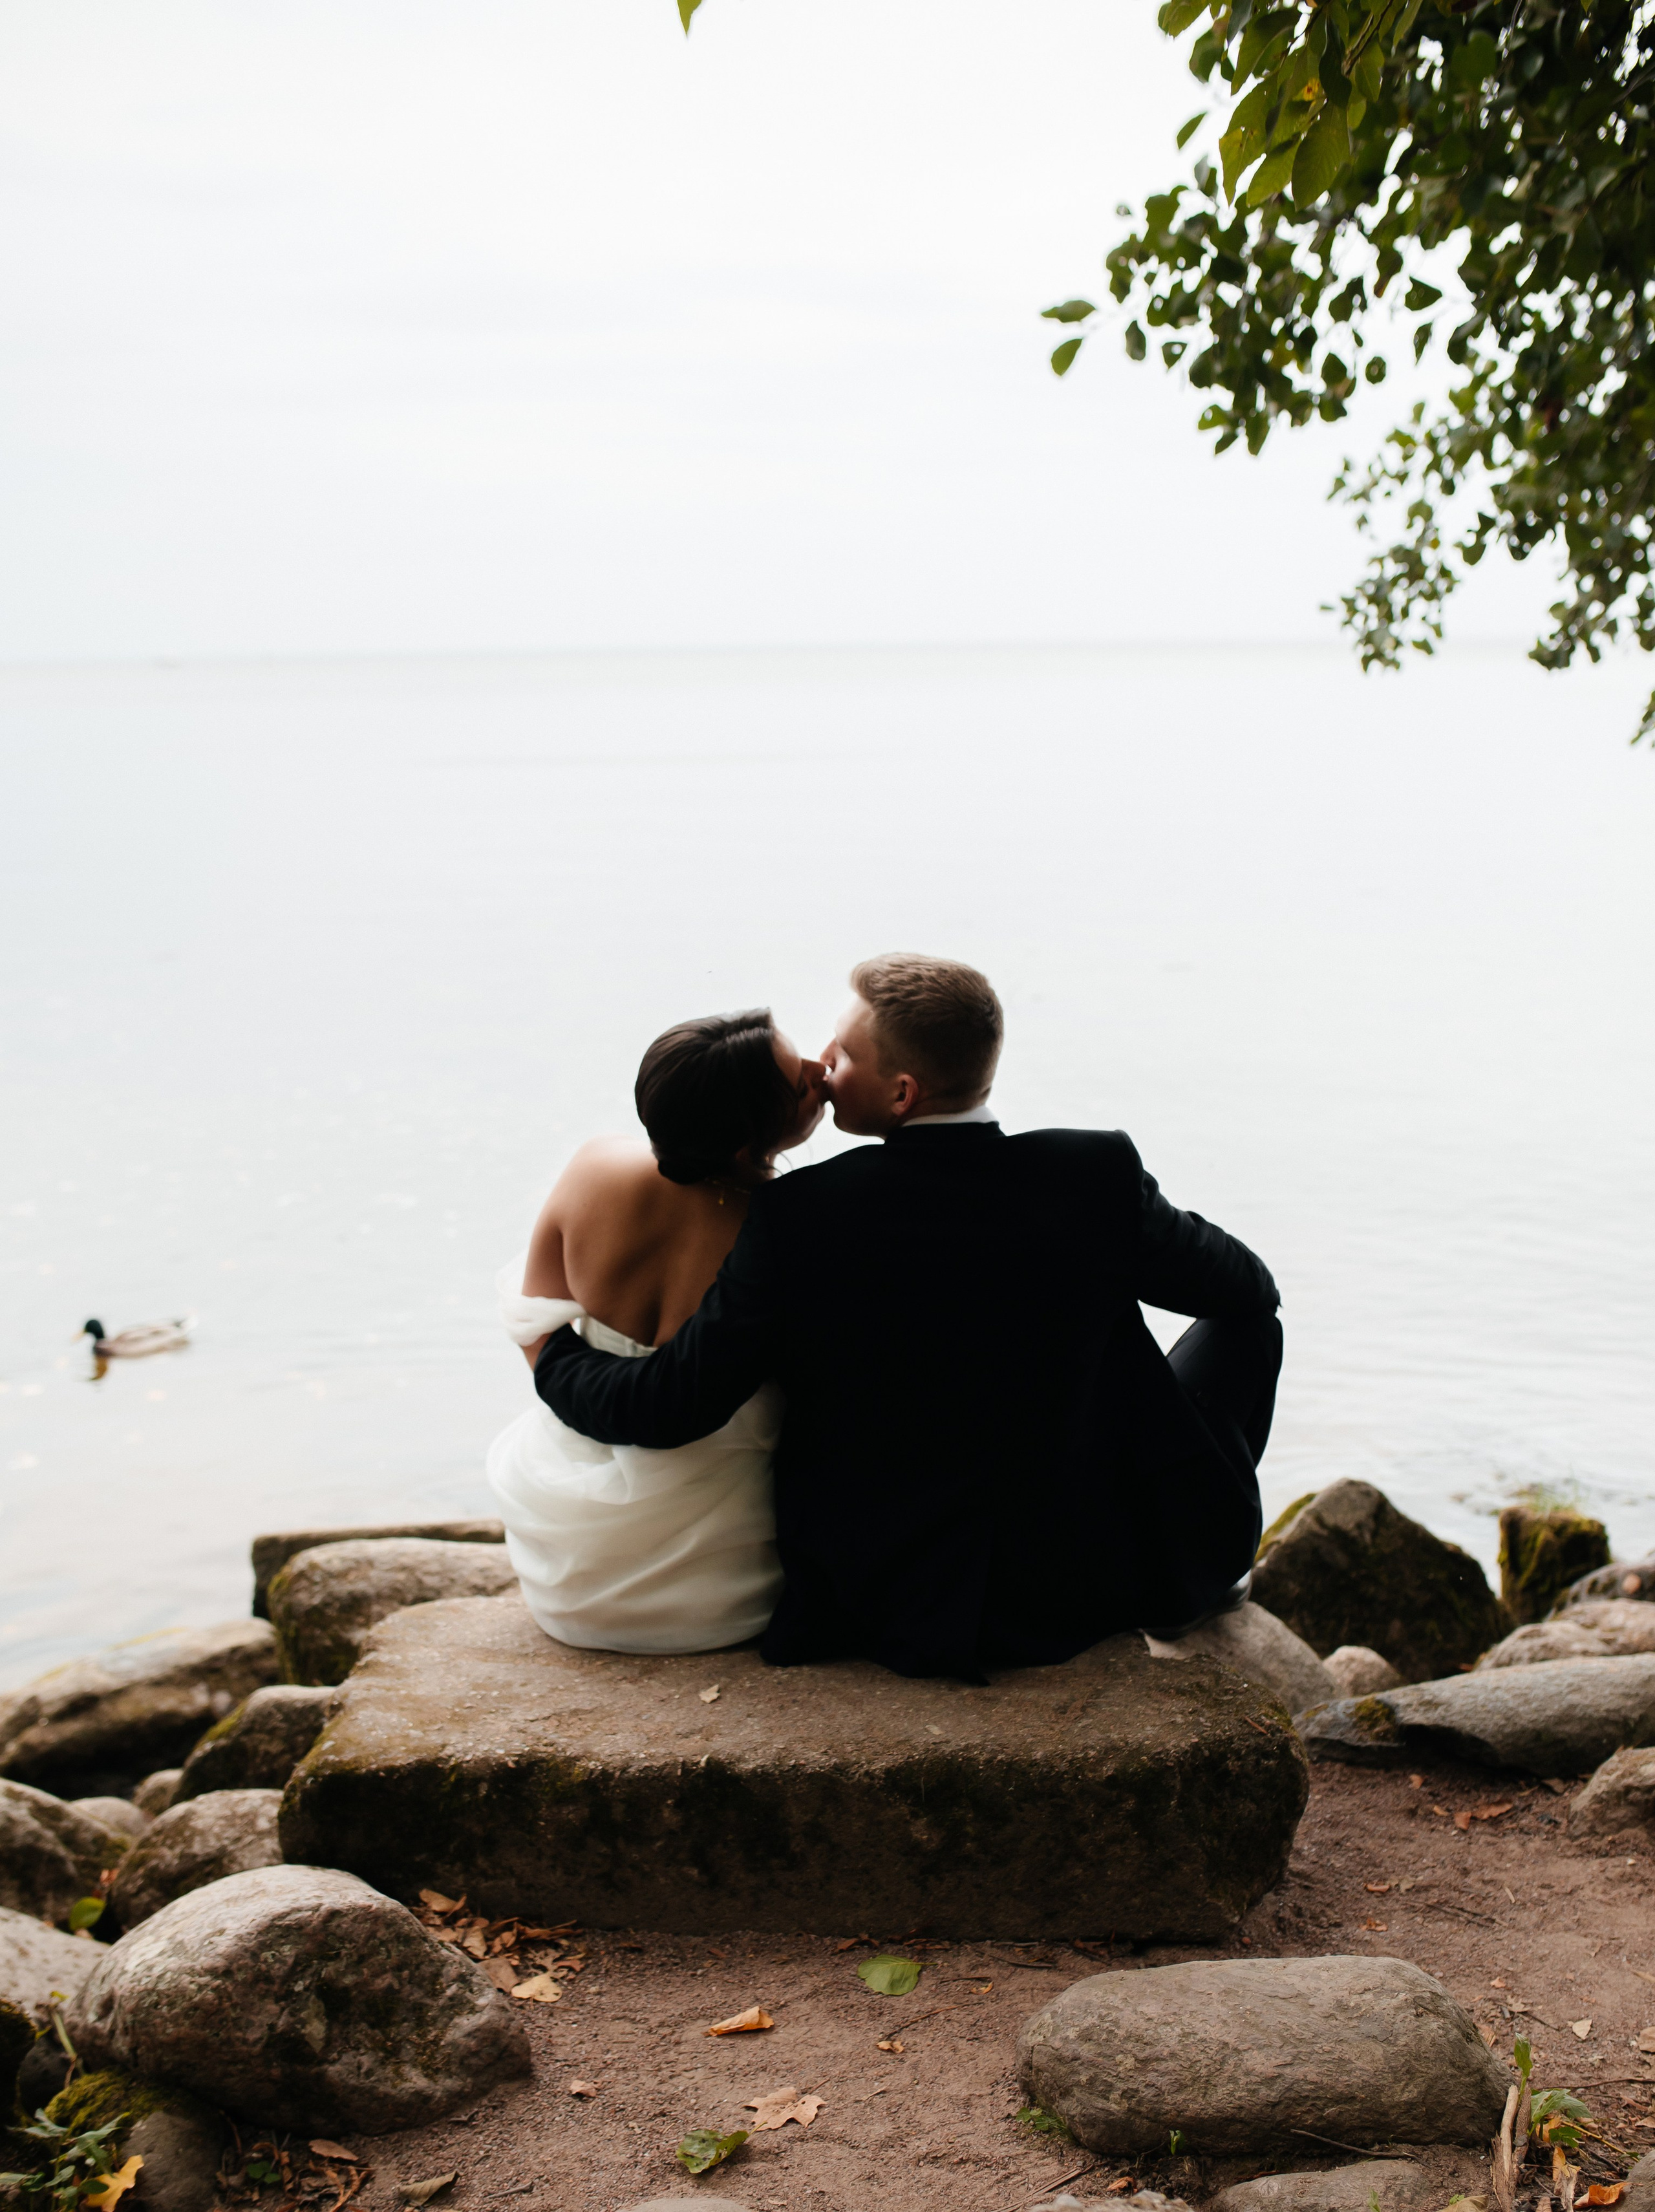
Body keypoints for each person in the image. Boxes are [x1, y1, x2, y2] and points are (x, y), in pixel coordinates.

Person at [535, 952, 1283, 1682]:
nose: (824, 1064)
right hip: (1078, 1581)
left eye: (845, 1052)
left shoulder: (799, 1215)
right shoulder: (1094, 1173)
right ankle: (1205, 1563)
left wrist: (556, 1356)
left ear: (901, 1094)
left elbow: (672, 1402)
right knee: (1250, 1327)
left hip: (882, 1599)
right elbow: (1248, 1290)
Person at [486, 1008, 825, 1653]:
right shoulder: (784, 1229)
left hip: (570, 1567)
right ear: (744, 1143)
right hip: (725, 1583)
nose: (820, 1070)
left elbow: (531, 1321)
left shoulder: (593, 1168)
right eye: (800, 1081)